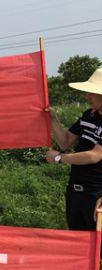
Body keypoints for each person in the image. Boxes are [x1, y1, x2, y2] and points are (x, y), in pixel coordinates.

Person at [47, 68, 102, 231]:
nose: (88, 97)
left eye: (92, 93)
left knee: (97, 243)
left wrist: (59, 158)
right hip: (75, 193)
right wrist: (53, 119)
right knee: (78, 240)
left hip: (97, 195)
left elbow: (94, 156)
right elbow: (65, 142)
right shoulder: (88, 115)